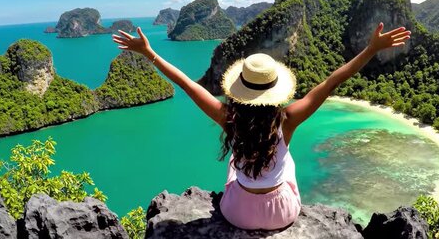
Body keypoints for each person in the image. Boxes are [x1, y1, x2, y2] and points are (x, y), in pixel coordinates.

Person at [112, 22, 410, 230]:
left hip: (237, 213)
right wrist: (371, 49)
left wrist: (149, 54)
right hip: (283, 214)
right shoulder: (288, 119)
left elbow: (188, 85)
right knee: (287, 160)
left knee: (233, 163)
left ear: (240, 88)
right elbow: (334, 80)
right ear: (274, 89)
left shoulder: (228, 119)